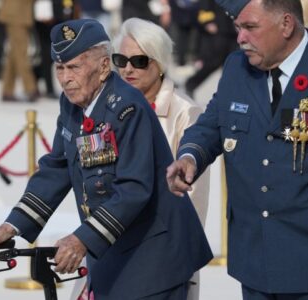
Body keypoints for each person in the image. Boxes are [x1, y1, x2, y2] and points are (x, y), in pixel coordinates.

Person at [166, 0, 308, 299]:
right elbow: (212, 124)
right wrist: (190, 156)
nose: (241, 38)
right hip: (256, 264)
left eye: (250, 27)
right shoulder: (237, 68)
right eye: (238, 28)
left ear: (286, 24)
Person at [0, 19, 212, 300]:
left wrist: (81, 240)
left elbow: (134, 188)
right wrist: (10, 227)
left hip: (154, 256)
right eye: (60, 68)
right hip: (114, 247)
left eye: (74, 67)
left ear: (103, 68)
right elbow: (58, 167)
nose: (64, 78)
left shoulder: (128, 108)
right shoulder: (73, 102)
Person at [111, 17, 210, 300]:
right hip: (111, 244)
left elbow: (193, 201)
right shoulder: (109, 106)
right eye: (121, 59)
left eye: (140, 61)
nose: (128, 68)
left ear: (160, 63)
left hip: (162, 256)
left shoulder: (185, 113)